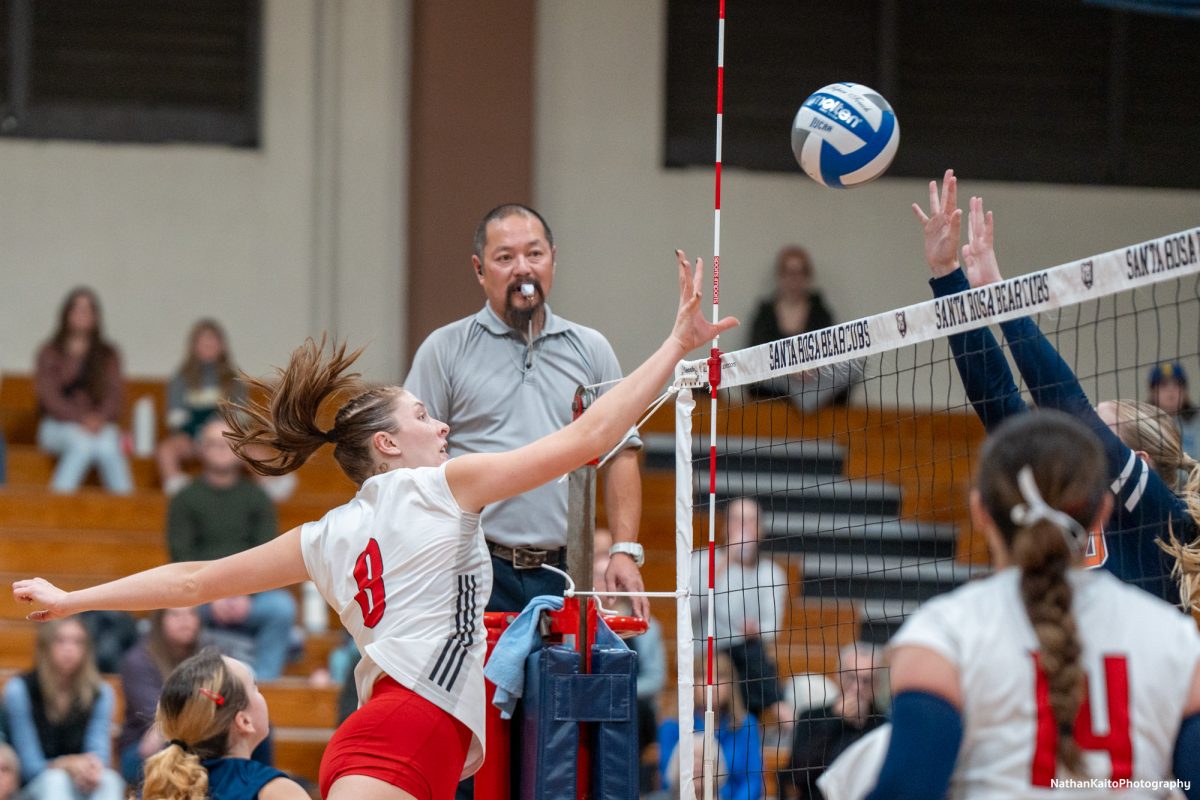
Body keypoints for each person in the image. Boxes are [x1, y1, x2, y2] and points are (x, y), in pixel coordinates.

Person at [13, 250, 736, 800]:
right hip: (407, 729)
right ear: (387, 446)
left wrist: (76, 599)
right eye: (423, 415)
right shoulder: (440, 488)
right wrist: (674, 349)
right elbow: (586, 440)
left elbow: (194, 581)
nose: (442, 422)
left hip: (398, 730)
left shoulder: (327, 533)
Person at [844, 411, 1200, 799]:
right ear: (1102, 513)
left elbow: (907, 790)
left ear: (979, 511)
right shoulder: (1176, 642)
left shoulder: (943, 634)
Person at [914, 171, 1199, 605]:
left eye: (1097, 433)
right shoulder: (1068, 497)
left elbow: (1067, 405)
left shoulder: (1166, 519)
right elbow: (997, 400)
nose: (1074, 439)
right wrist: (949, 278)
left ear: (1136, 463)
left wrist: (1003, 298)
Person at [404, 203, 650, 620]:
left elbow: (621, 453)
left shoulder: (591, 351)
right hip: (471, 568)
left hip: (566, 572)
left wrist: (625, 550)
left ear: (553, 258)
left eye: (534, 254)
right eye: (505, 258)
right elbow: (410, 464)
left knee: (555, 687)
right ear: (480, 270)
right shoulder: (443, 350)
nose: (523, 268)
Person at [167, 418, 297, 680]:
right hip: (200, 595)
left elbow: (268, 553)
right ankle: (190, 681)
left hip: (250, 596)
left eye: (228, 444)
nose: (220, 449)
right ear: (201, 450)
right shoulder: (184, 498)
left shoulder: (258, 497)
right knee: (170, 612)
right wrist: (212, 594)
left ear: (240, 451)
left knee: (282, 608)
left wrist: (243, 594)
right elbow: (180, 555)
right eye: (213, 443)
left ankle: (263, 683)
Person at [141, 648, 308, 800]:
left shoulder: (157, 789)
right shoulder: (276, 792)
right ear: (244, 721)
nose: (260, 693)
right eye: (254, 687)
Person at [1, 618, 124, 800]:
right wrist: (66, 764)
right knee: (55, 781)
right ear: (45, 645)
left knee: (109, 780)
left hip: (81, 781)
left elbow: (99, 755)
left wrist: (91, 769)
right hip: (35, 785)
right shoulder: (20, 690)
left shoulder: (101, 692)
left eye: (77, 641)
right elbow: (29, 766)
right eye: (60, 640)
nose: (69, 649)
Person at [691, 498, 789, 722]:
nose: (743, 528)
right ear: (725, 526)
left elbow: (772, 628)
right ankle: (778, 706)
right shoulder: (701, 561)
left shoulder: (771, 573)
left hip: (746, 655)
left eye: (750, 521)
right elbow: (690, 609)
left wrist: (756, 630)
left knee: (752, 655)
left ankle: (750, 726)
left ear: (760, 530)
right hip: (708, 654)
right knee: (746, 663)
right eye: (736, 520)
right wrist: (725, 561)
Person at [34, 287, 132, 494]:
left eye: (87, 309)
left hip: (100, 426)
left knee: (109, 445)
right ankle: (56, 507)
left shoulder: (108, 354)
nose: (82, 314)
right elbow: (50, 399)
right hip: (57, 425)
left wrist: (98, 418)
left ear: (96, 317)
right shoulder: (50, 352)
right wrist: (82, 419)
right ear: (66, 314)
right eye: (76, 308)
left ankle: (128, 509)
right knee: (81, 444)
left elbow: (115, 397)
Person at [593, 528, 666, 794]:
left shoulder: (646, 626)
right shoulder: (577, 623)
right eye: (597, 580)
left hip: (630, 711)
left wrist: (616, 694)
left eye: (607, 579)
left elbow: (655, 679)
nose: (604, 586)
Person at [749, 245, 859, 410]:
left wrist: (812, 366)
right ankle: (805, 402)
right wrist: (789, 368)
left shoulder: (820, 312)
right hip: (779, 381)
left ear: (808, 277)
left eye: (799, 273)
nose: (794, 280)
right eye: (788, 273)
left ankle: (806, 400)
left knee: (854, 364)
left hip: (813, 378)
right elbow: (757, 354)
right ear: (780, 276)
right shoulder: (765, 313)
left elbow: (832, 349)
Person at [658, 651, 765, 800]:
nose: (712, 685)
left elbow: (752, 781)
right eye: (703, 676)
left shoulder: (746, 725)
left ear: (731, 684)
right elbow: (669, 778)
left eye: (720, 676)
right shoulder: (673, 726)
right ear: (691, 682)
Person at [158, 319, 248, 496]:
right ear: (194, 346)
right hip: (191, 438)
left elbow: (242, 415)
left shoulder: (233, 380)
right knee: (165, 450)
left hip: (227, 439)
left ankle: (268, 488)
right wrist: (199, 434)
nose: (208, 346)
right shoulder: (181, 378)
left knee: (256, 451)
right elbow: (174, 417)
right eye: (203, 342)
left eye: (212, 341)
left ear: (221, 346)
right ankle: (178, 490)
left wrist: (219, 435)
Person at [786, 642, 885, 799]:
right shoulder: (811, 717)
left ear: (876, 685)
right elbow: (796, 777)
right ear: (838, 676)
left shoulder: (884, 727)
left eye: (866, 680)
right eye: (851, 677)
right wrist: (836, 721)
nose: (857, 688)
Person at [1148, 361, 1200, 460]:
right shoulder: (1140, 424)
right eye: (1163, 385)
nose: (1171, 390)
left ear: (1186, 391)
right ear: (1152, 392)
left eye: (1177, 385)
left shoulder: (1197, 422)